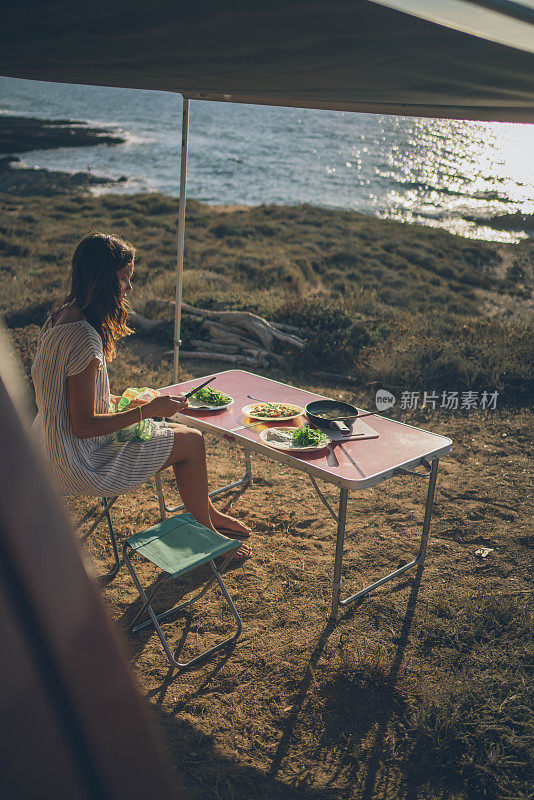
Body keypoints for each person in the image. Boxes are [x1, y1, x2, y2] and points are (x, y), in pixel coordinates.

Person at [31, 232, 251, 557]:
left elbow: (64, 399)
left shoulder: (57, 318)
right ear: (103, 279)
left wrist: (125, 402)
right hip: (79, 460)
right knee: (192, 442)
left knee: (182, 434)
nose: (129, 289)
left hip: (46, 445)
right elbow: (83, 425)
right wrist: (148, 411)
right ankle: (207, 539)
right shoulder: (84, 339)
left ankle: (208, 515)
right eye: (124, 279)